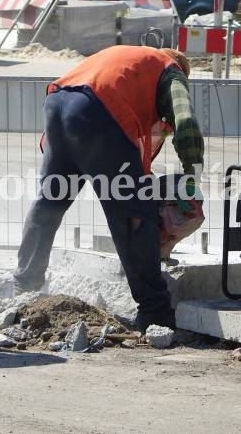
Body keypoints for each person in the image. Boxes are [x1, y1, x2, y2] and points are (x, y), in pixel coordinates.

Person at [14, 45, 204, 332]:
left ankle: (24, 288)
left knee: (49, 203)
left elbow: (142, 141)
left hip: (58, 105)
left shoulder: (129, 61)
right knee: (133, 216)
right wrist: (193, 174)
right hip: (100, 111)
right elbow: (185, 121)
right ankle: (155, 311)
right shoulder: (170, 71)